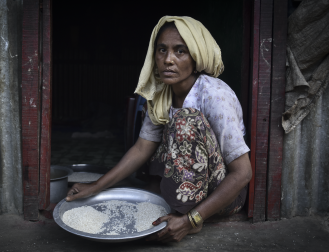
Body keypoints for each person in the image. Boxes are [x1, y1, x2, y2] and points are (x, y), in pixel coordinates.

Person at [66, 16, 252, 243]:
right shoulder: (162, 94)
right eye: (162, 50)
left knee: (185, 121)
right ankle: (167, 198)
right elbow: (142, 147)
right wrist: (95, 186)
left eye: (180, 51)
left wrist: (190, 220)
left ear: (196, 56)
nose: (168, 60)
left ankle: (185, 215)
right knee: (166, 132)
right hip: (186, 186)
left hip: (222, 195)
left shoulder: (214, 94)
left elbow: (243, 173)